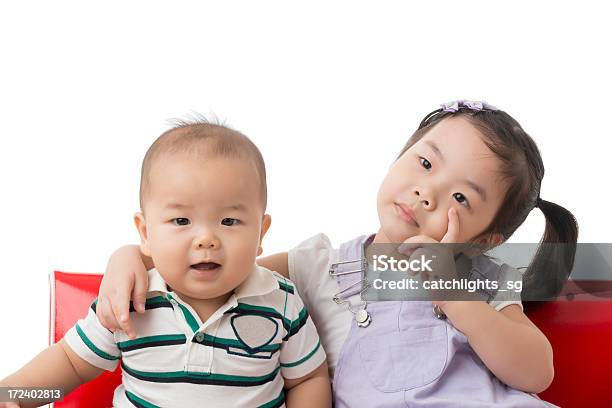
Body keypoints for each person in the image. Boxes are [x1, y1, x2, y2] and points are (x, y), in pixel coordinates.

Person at [94, 101, 578, 407]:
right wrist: (130, 258)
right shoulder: (320, 264)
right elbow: (217, 266)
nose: (427, 193)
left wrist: (454, 294)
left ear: (484, 241)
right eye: (425, 163)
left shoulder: (480, 276)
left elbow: (537, 372)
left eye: (461, 198)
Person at [0, 122, 331, 408]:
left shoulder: (280, 301)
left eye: (229, 220)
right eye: (181, 220)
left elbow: (307, 377)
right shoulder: (129, 300)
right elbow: (71, 364)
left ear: (261, 233)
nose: (206, 239)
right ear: (146, 233)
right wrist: (14, 392)